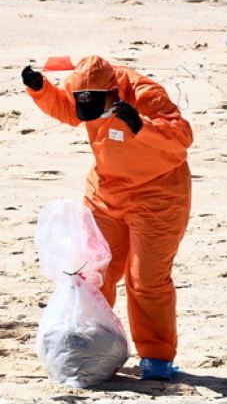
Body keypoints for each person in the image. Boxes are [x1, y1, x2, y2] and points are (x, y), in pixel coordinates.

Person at [21, 56, 192, 381]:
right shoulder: (81, 90)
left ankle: (156, 357)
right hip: (106, 191)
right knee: (93, 272)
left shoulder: (146, 94)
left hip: (158, 195)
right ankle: (90, 343)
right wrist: (41, 90)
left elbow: (182, 137)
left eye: (95, 102)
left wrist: (142, 126)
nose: (88, 108)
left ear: (112, 91)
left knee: (146, 279)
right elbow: (67, 110)